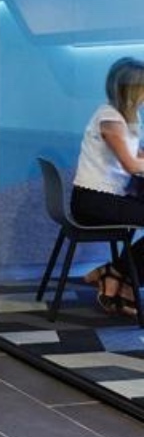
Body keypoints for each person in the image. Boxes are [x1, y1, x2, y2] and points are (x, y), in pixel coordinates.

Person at [75, 57, 144, 316]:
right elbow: (131, 164)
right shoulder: (109, 118)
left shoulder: (127, 117)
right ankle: (119, 275)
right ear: (132, 89)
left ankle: (116, 273)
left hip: (108, 198)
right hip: (93, 202)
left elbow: (136, 154)